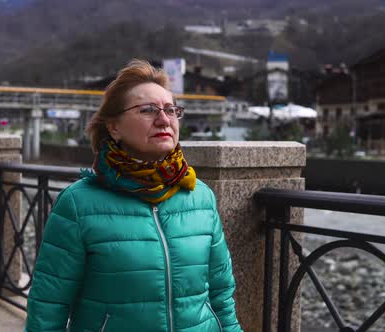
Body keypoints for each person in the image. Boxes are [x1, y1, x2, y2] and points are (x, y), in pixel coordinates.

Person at [24, 59, 242, 332]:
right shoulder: (79, 204)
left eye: (171, 110)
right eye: (148, 110)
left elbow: (221, 296)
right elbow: (48, 307)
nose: (163, 119)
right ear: (114, 127)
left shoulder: (199, 196)